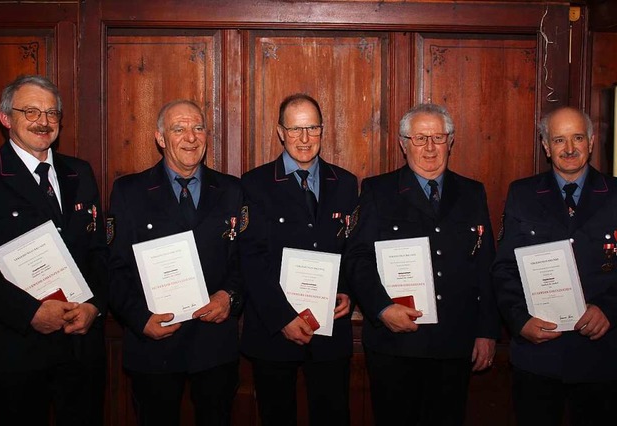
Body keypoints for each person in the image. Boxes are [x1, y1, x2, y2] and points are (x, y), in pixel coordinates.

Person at [343, 103, 499, 426]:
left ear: (451, 141)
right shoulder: (378, 190)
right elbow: (357, 259)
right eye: (419, 138)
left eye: (438, 137)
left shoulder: (472, 193)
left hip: (454, 346)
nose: (430, 147)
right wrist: (382, 308)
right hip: (395, 344)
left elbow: (486, 266)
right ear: (403, 143)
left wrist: (486, 331)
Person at [0, 75, 107, 426]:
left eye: (52, 113)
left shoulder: (79, 172)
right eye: (31, 111)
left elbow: (98, 250)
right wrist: (28, 312)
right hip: (16, 348)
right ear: (6, 118)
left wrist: (94, 306)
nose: (44, 122)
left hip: (80, 347)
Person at [108, 99, 243, 426]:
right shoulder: (129, 192)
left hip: (214, 346)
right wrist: (140, 319)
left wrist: (230, 297)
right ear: (160, 138)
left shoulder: (231, 190)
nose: (191, 137)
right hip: (155, 344)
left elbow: (245, 258)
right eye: (178, 129)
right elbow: (112, 267)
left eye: (198, 128)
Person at [492, 106, 617, 425]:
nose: (570, 148)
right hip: (539, 356)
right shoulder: (522, 193)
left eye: (577, 138)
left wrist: (609, 310)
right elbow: (504, 269)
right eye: (559, 140)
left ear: (590, 141)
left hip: (601, 357)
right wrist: (519, 321)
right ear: (546, 147)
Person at [239, 93, 358, 426]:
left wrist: (347, 290)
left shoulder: (346, 183)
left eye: (313, 128)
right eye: (295, 129)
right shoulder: (255, 183)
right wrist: (283, 318)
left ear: (322, 130)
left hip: (330, 331)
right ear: (280, 132)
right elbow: (250, 259)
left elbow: (353, 250)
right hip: (273, 334)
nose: (305, 139)